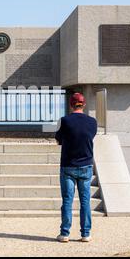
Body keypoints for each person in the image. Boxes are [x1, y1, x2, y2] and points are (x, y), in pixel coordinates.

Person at [55, 93, 97, 243]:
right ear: (84, 104)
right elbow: (90, 137)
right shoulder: (93, 122)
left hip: (68, 166)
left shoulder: (65, 121)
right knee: (85, 201)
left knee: (67, 200)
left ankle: (65, 233)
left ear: (71, 104)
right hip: (86, 165)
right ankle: (85, 233)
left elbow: (58, 139)